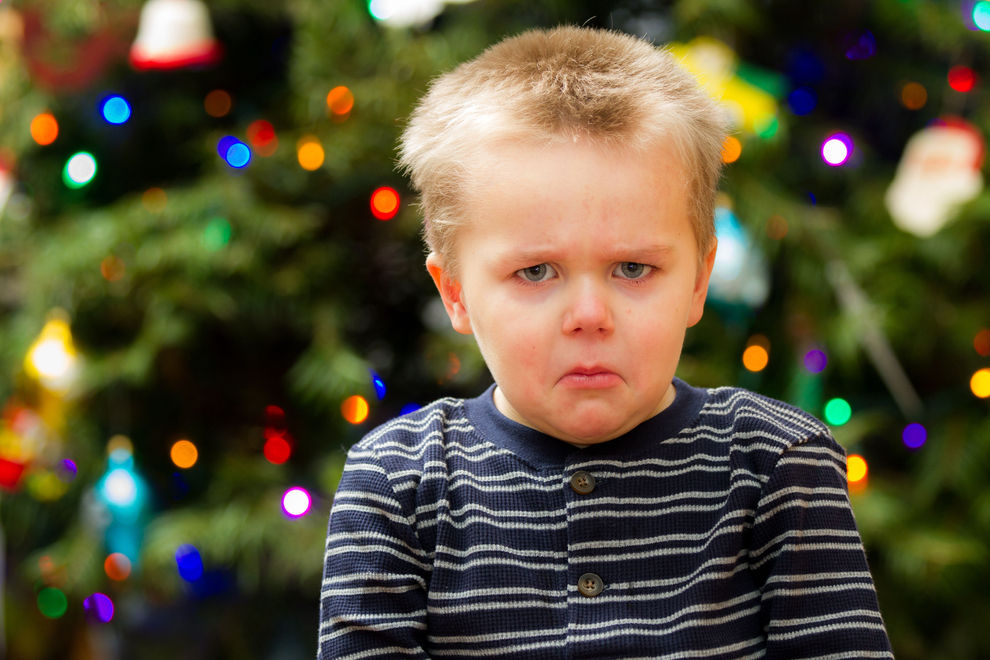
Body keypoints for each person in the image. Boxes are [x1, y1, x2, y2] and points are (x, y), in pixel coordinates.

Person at [318, 25, 893, 659]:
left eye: (633, 269)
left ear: (699, 281)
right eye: (535, 272)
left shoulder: (779, 466)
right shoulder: (395, 483)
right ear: (454, 292)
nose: (589, 315)